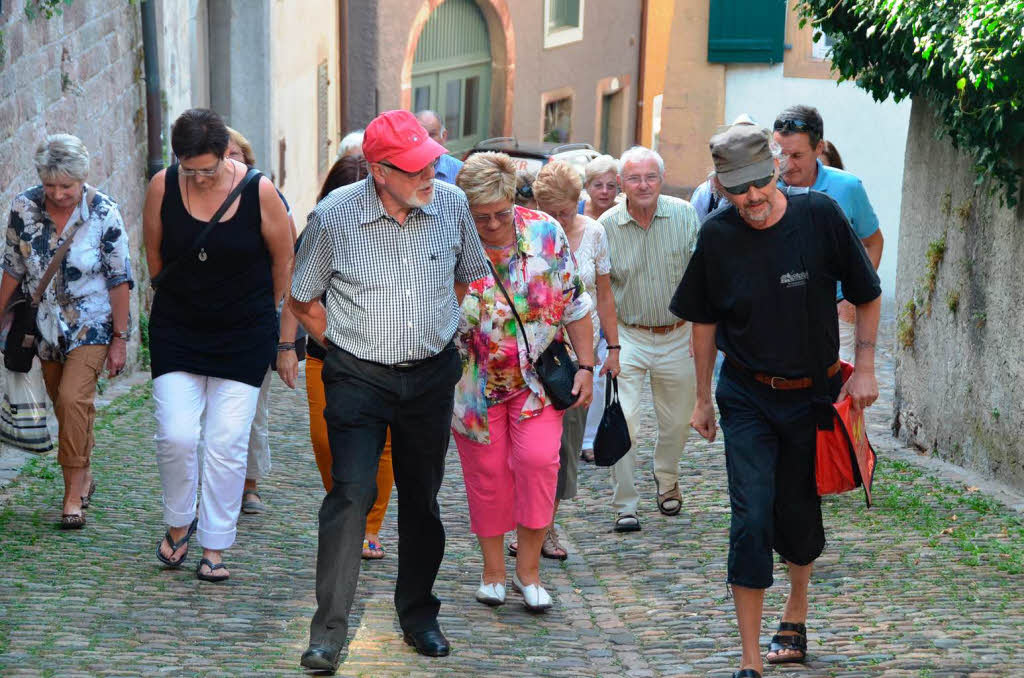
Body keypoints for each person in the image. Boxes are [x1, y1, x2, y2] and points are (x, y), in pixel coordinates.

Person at [671, 122, 881, 678]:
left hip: (811, 395)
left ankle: (796, 607)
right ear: (720, 186)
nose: (752, 199)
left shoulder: (819, 217)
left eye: (760, 184)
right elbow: (703, 320)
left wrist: (865, 368)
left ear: (777, 170)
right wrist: (701, 400)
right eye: (738, 191)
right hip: (745, 394)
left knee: (796, 515)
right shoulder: (716, 236)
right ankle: (749, 660)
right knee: (751, 515)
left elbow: (867, 293)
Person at [290, 110, 489, 671]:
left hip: (429, 377)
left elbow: (465, 276)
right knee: (350, 494)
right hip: (356, 378)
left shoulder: (450, 205)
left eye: (431, 160)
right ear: (379, 171)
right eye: (415, 166)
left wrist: (434, 327)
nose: (431, 171)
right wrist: (346, 346)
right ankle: (328, 632)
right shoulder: (334, 216)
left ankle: (419, 615)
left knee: (422, 498)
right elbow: (303, 299)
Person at [143, 108, 294, 582]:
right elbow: (154, 252)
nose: (201, 177)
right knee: (177, 435)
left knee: (226, 444)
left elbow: (283, 261)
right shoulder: (163, 186)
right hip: (179, 330)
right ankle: (177, 523)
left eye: (209, 168)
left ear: (226, 153)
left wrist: (263, 316)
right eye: (191, 169)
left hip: (243, 334)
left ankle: (215, 544)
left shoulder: (259, 191)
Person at [451, 152, 593, 610]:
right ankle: (493, 571)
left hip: (537, 381)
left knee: (537, 465)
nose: (492, 224)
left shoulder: (545, 234)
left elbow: (576, 305)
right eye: (481, 216)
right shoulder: (449, 240)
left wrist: (587, 366)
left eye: (500, 213)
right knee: (487, 475)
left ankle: (527, 571)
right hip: (472, 382)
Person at [0, 134, 133, 529]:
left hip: (91, 323)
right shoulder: (24, 207)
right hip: (41, 326)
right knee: (63, 405)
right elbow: (12, 268)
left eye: (66, 186)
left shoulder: (104, 213)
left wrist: (120, 339)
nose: (58, 194)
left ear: (83, 179)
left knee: (74, 400)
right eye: (50, 185)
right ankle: (84, 470)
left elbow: (119, 280)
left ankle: (72, 495)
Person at [599, 146, 700, 533]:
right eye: (634, 178)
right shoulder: (607, 225)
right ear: (621, 183)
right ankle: (625, 504)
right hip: (628, 334)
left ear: (662, 178)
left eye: (650, 177)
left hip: (678, 332)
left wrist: (700, 333)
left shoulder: (685, 215)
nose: (643, 185)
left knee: (676, 422)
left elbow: (700, 280)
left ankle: (667, 478)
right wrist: (610, 343)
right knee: (624, 420)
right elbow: (601, 289)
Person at [304, 154, 396, 560]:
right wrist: (287, 347)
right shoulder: (320, 225)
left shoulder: (402, 231)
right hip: (327, 354)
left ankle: (368, 525)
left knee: (385, 446)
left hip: (389, 358)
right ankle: (347, 506)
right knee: (326, 442)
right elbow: (298, 292)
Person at [531, 160, 618, 557]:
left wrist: (611, 348)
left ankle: (546, 527)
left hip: (577, 359)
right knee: (531, 448)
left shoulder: (594, 234)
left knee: (565, 447)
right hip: (533, 355)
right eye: (549, 212)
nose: (557, 220)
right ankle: (526, 525)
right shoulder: (526, 233)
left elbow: (603, 295)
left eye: (564, 212)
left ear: (577, 202)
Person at [225, 126, 297, 515]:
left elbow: (287, 257)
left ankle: (249, 482)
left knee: (252, 404)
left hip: (255, 316)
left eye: (233, 154)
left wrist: (270, 305)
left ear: (247, 160)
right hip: (207, 320)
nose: (225, 161)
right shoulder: (187, 198)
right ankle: (216, 482)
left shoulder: (267, 196)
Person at [773, 106, 882, 363]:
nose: (786, 165)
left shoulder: (848, 187)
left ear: (819, 148)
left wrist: (852, 296)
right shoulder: (765, 188)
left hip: (835, 315)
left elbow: (873, 242)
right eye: (780, 154)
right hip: (777, 314)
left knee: (837, 393)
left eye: (797, 155)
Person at [415, 110, 464, 184]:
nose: (427, 140)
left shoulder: (460, 171)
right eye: (421, 134)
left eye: (432, 134)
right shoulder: (400, 170)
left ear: (443, 136)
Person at [578, 154, 619, 220]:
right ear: (587, 186)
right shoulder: (574, 212)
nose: (604, 191)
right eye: (598, 185)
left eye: (610, 186)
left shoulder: (625, 214)